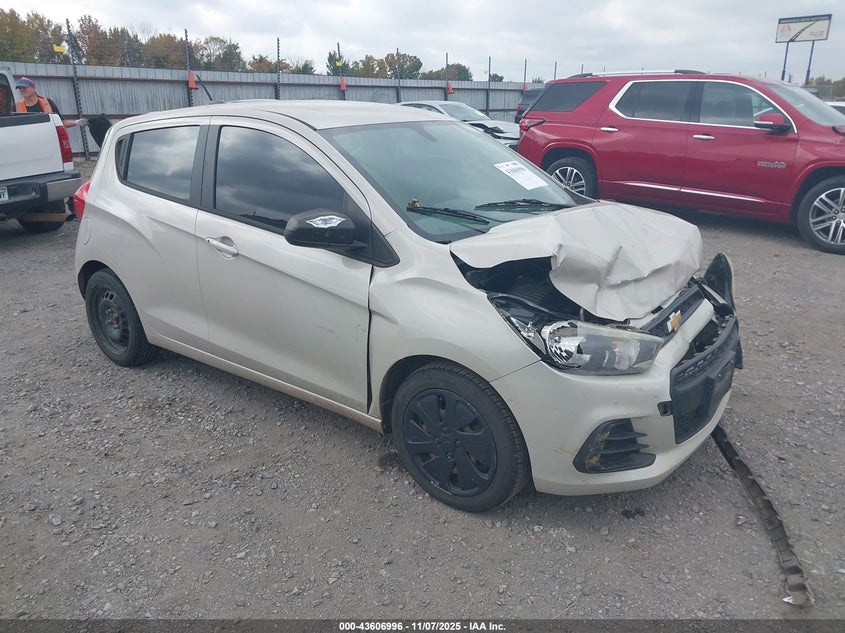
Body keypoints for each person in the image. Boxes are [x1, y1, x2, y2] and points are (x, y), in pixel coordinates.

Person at [14, 76, 88, 129]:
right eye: (20, 88)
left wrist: (76, 122)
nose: (21, 90)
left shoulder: (47, 103)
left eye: (24, 87)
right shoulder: (17, 106)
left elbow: (61, 122)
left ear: (33, 88)